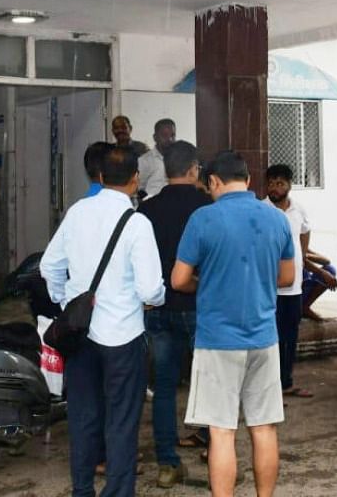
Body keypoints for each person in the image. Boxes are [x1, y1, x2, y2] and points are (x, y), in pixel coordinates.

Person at [41, 146, 164, 496]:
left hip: (80, 337)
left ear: (98, 177)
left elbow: (49, 265)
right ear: (135, 179)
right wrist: (156, 299)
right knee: (122, 423)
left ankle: (83, 490)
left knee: (83, 419)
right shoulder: (137, 223)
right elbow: (150, 289)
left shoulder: (78, 212)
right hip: (123, 337)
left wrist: (65, 300)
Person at [173, 150, 294, 497]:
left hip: (216, 341)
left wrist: (207, 283)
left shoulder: (203, 219)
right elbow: (287, 277)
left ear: (213, 182)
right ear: (249, 180)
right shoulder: (276, 219)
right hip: (263, 338)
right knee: (264, 428)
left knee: (221, 431)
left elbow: (179, 279)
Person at [136, 140, 211, 488]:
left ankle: (167, 462)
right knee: (212, 382)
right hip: (199, 308)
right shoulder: (207, 206)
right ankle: (216, 452)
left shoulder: (147, 210)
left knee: (164, 386)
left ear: (165, 169)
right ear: (194, 168)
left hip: (159, 308)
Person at [263, 164, 314, 399]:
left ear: (290, 185)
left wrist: (301, 257)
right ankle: (270, 387)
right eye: (271, 183)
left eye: (280, 183)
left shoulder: (299, 210)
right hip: (268, 288)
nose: (275, 188)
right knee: (270, 339)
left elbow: (305, 231)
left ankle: (287, 382)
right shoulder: (261, 210)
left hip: (293, 288)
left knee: (290, 336)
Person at [138, 118, 177, 201]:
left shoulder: (178, 159)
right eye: (164, 135)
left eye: (172, 135)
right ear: (155, 137)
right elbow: (138, 188)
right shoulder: (145, 161)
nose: (170, 139)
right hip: (152, 207)